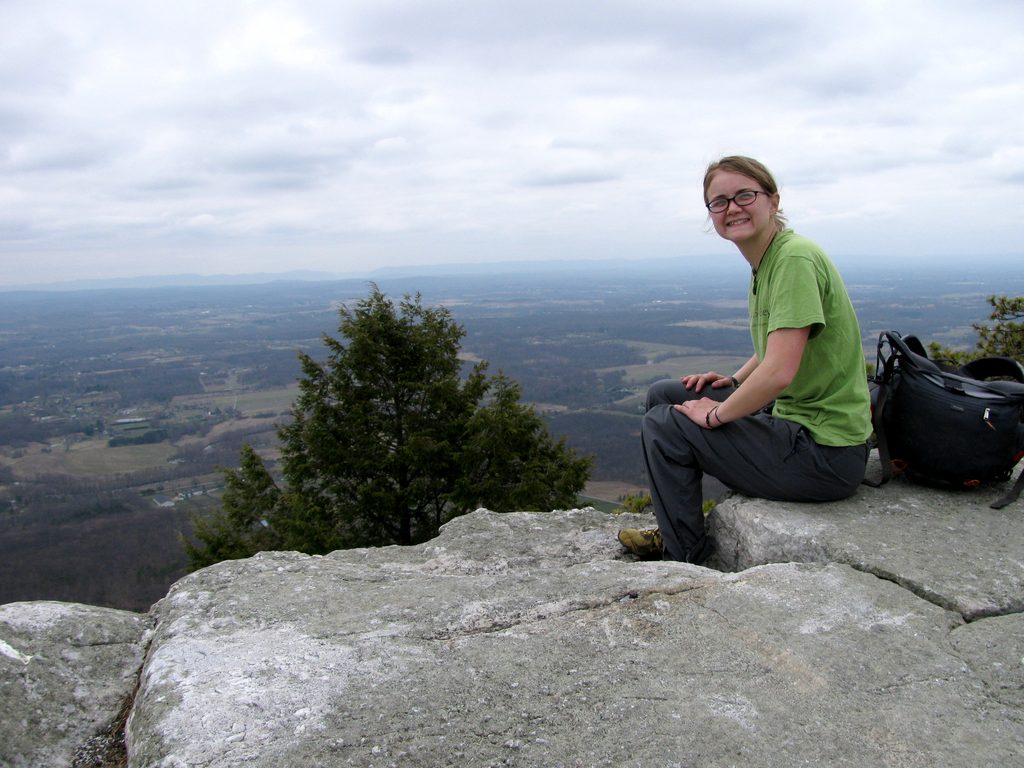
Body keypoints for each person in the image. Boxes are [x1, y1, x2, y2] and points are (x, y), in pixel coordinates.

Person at [618, 155, 872, 564]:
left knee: (666, 425)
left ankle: (686, 560)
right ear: (711, 214)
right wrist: (732, 383)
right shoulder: (769, 259)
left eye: (744, 195)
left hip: (826, 453)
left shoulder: (793, 259)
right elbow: (779, 344)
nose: (732, 207)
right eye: (719, 201)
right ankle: (676, 526)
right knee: (666, 394)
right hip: (801, 429)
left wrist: (715, 416)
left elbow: (779, 372)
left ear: (772, 201)